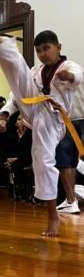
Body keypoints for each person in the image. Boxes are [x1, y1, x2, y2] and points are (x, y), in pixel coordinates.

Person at [0, 0, 83, 236]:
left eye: (46, 48)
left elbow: (77, 76)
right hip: (31, 112)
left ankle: (53, 216)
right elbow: (16, 96)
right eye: (38, 50)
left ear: (58, 46)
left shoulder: (69, 66)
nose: (42, 54)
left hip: (52, 118)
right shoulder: (36, 71)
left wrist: (68, 76)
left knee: (43, 162)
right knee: (18, 69)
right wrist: (5, 115)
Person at [55, 82, 84, 214]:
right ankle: (71, 200)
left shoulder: (72, 72)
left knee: (66, 158)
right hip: (73, 118)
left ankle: (71, 201)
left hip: (70, 118)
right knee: (71, 159)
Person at [4, 114, 33, 200]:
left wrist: (16, 158)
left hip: (28, 159)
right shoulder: (12, 135)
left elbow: (30, 151)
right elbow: (9, 149)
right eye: (18, 119)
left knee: (16, 165)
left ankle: (21, 190)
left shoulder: (31, 134)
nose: (19, 122)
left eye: (21, 119)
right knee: (8, 164)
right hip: (15, 159)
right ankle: (13, 189)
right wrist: (9, 159)